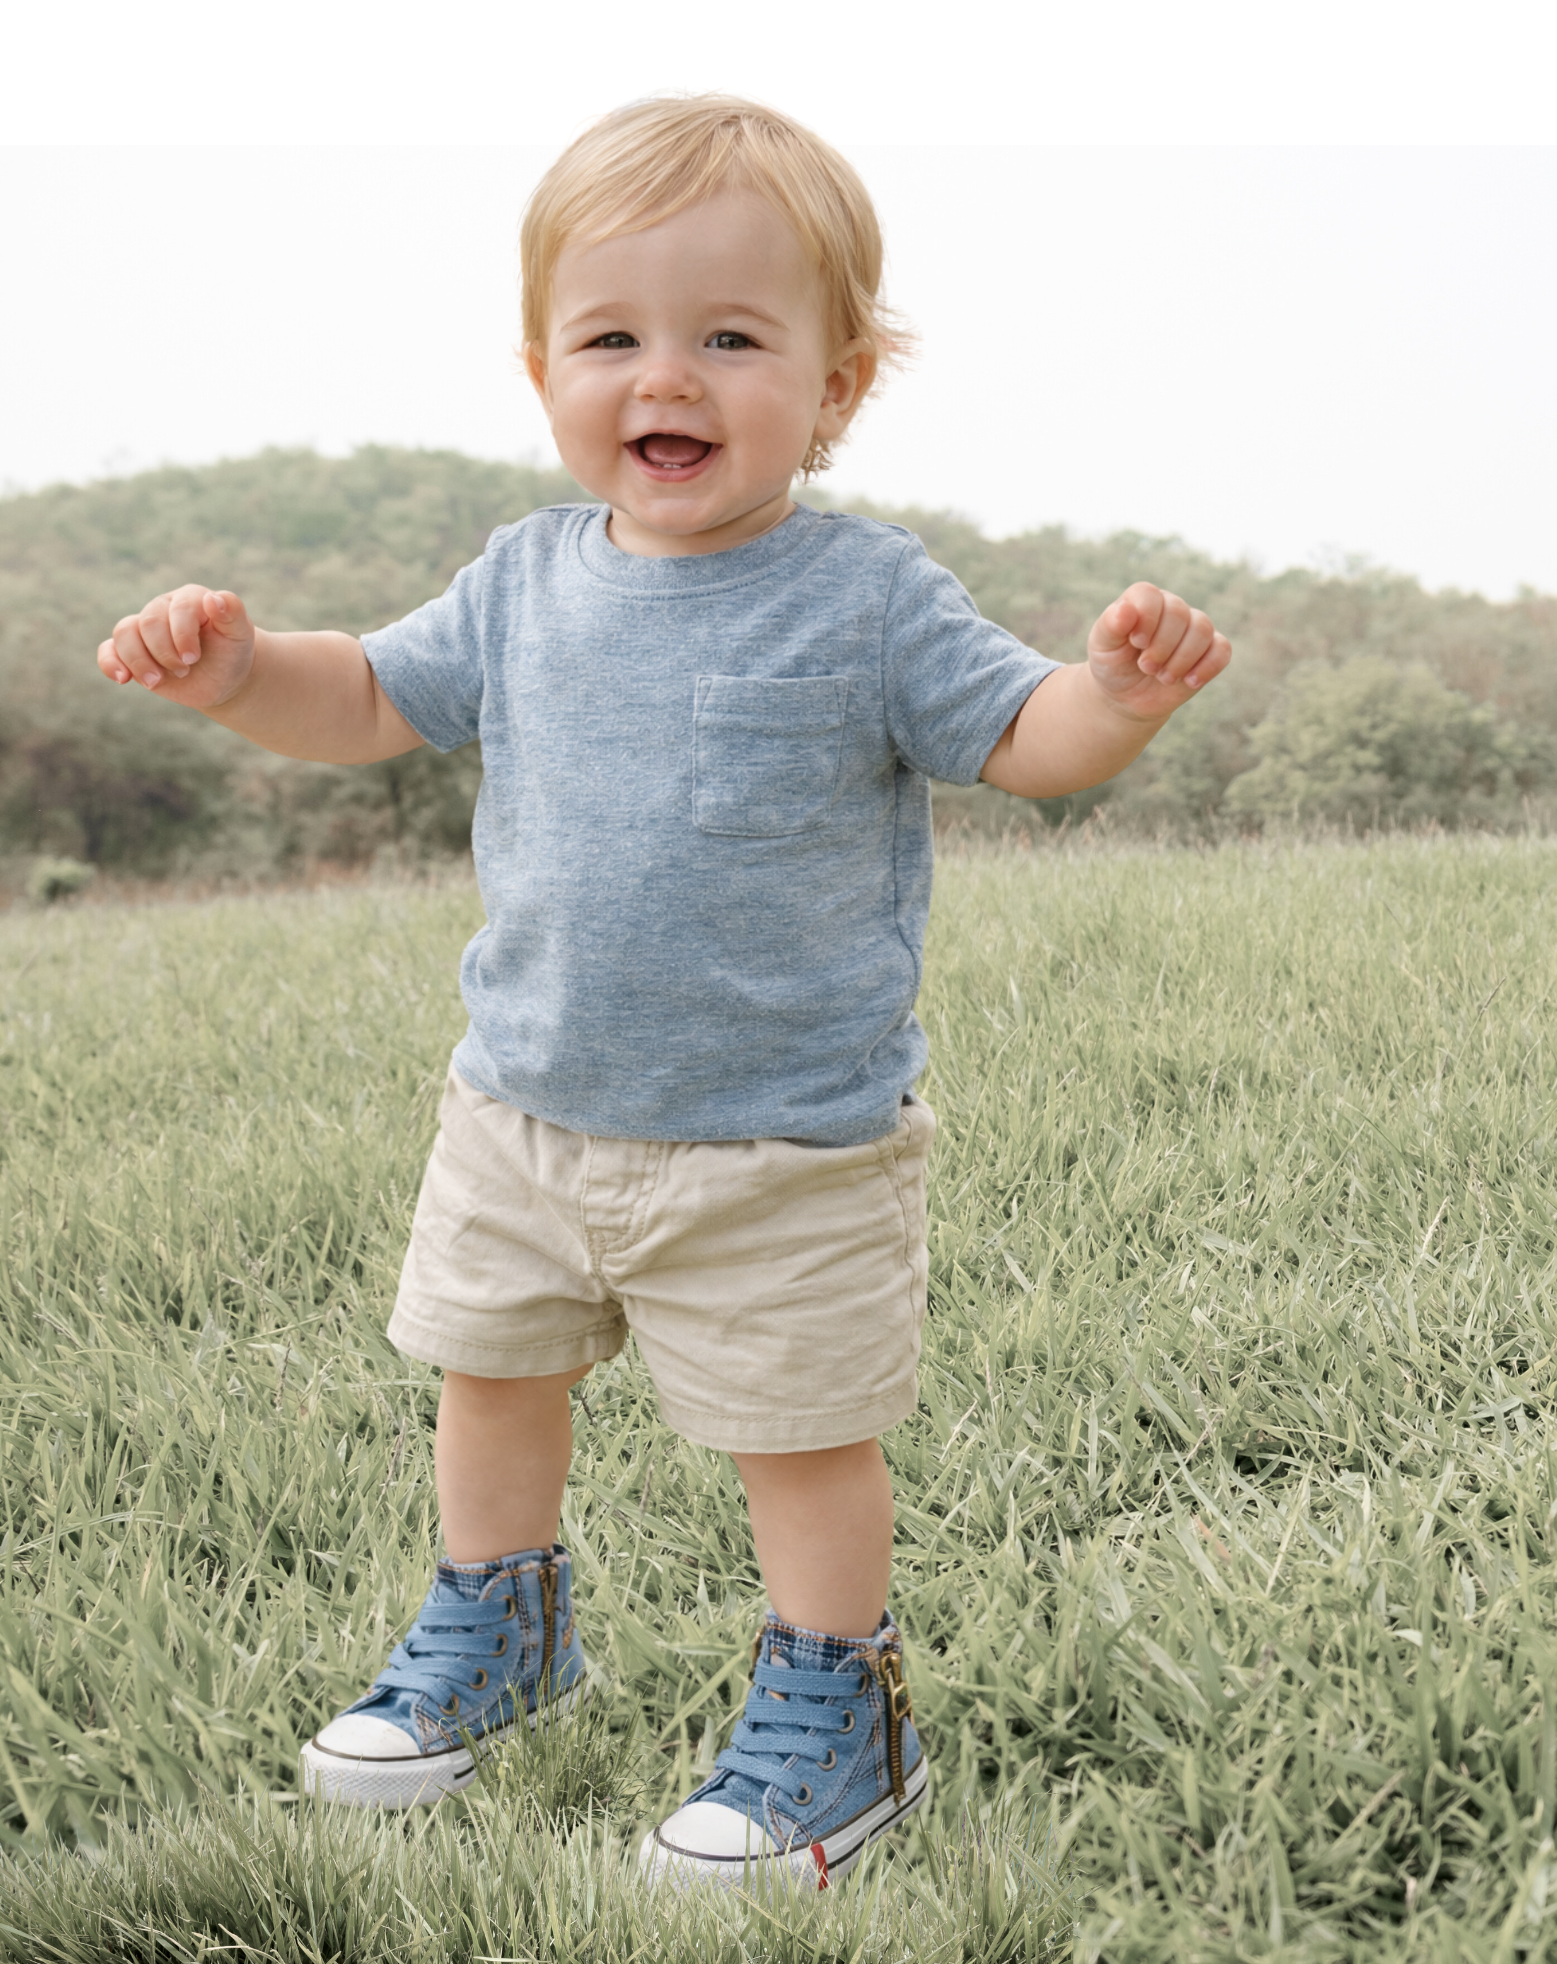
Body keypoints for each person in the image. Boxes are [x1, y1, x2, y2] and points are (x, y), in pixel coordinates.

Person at [97, 94, 1230, 1888]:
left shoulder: (865, 597)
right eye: (612, 336)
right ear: (541, 365)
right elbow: (368, 701)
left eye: (729, 338)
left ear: (839, 383)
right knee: (489, 1377)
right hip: (523, 1110)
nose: (665, 379)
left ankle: (835, 1714)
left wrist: (1121, 697)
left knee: (799, 1441)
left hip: (780, 1147)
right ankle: (497, 1623)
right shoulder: (525, 578)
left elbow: (1026, 742)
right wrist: (243, 673)